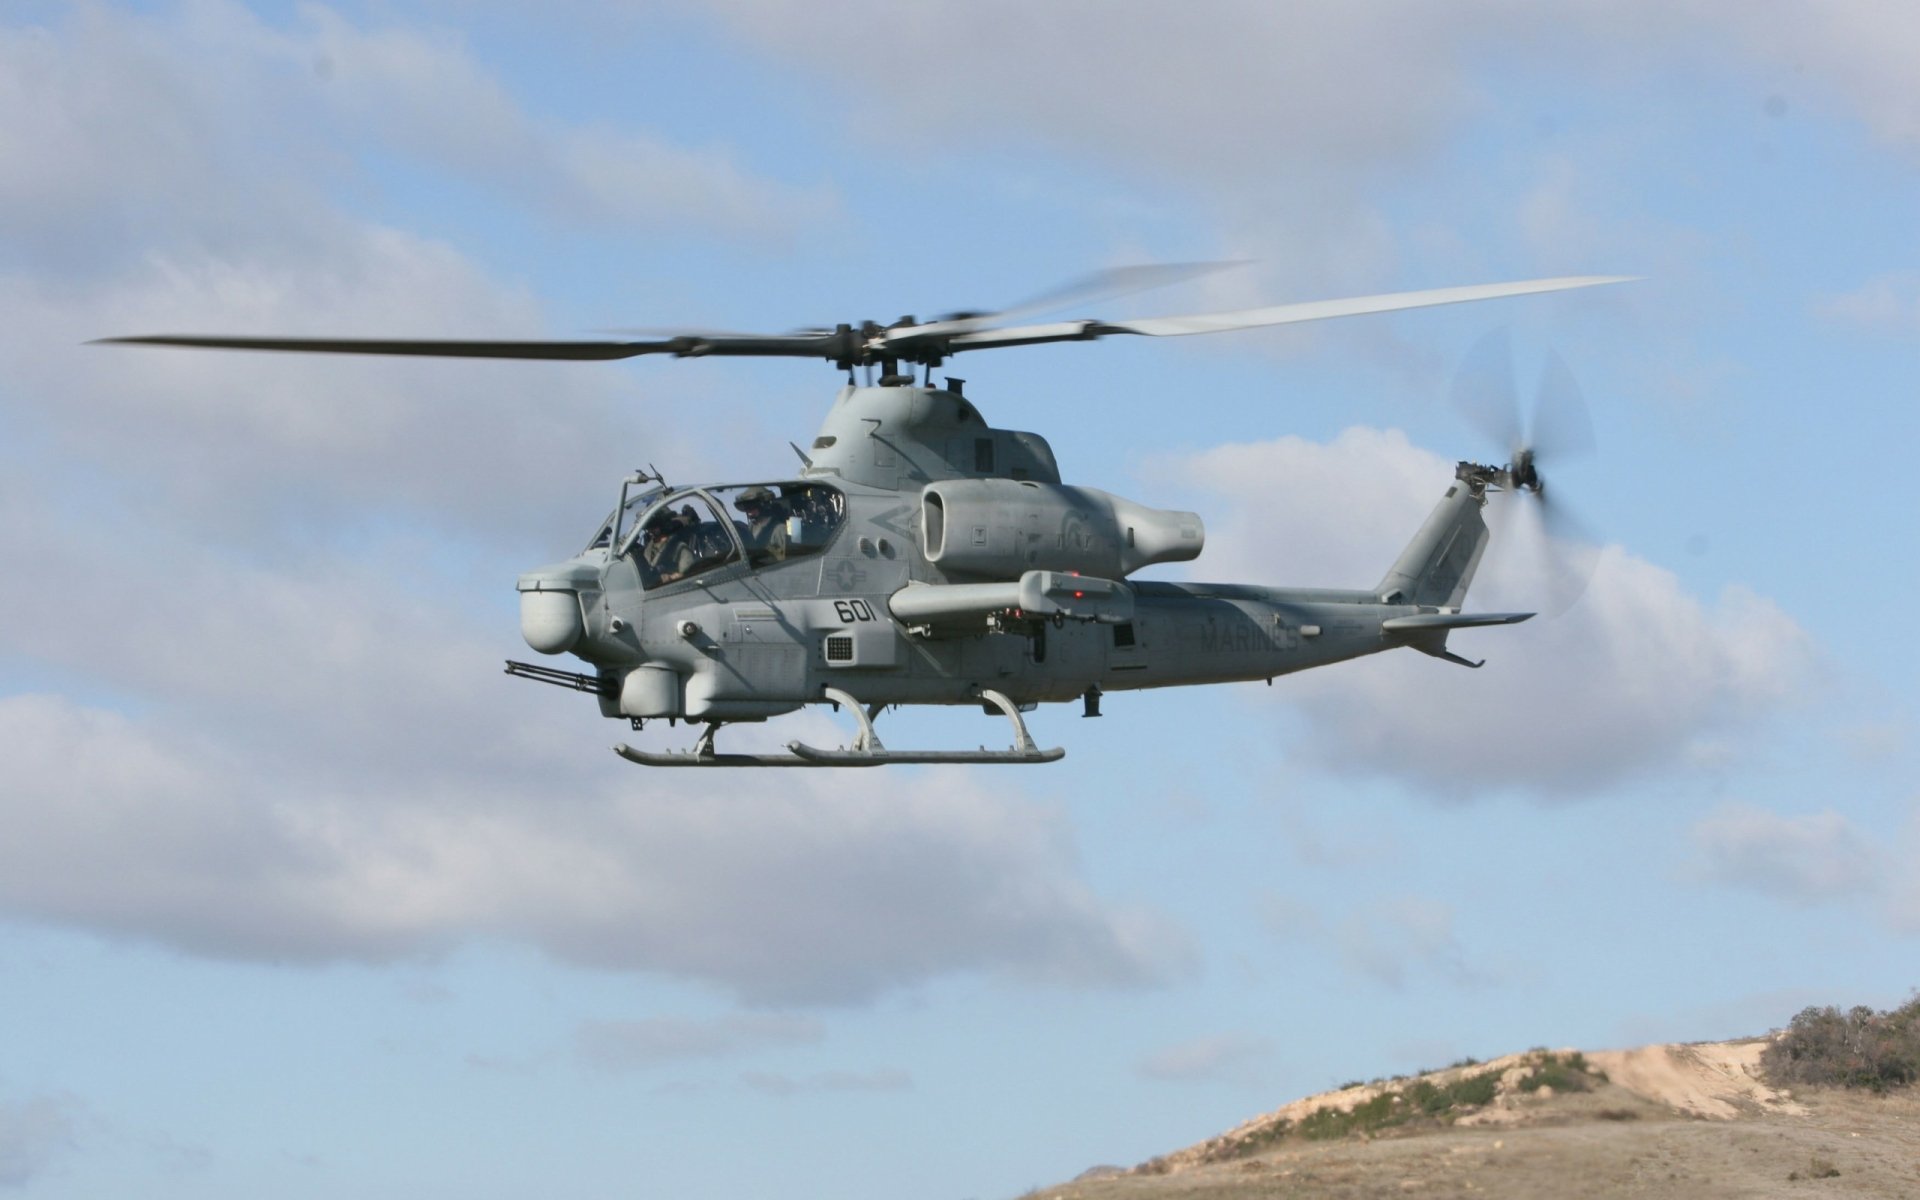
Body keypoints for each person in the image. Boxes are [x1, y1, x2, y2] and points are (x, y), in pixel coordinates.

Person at [734, 485, 790, 564]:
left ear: (764, 505)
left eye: (752, 506)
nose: (748, 511)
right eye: (746, 507)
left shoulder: (779, 529)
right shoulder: (751, 527)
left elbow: (787, 560)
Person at [639, 513, 694, 584]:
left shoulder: (679, 548)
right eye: (648, 529)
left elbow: (690, 574)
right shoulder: (647, 551)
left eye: (653, 527)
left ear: (662, 526)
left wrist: (670, 577)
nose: (650, 532)